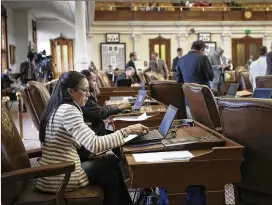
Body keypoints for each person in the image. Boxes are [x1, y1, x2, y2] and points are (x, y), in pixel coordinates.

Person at [37, 71, 149, 205]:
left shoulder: (58, 107)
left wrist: (89, 155)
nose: (88, 94)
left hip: (53, 173)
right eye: (85, 90)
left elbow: (71, 143)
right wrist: (127, 130)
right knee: (111, 170)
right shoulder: (68, 110)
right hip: (61, 176)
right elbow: (94, 144)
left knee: (109, 162)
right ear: (71, 91)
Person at [81, 70, 131, 135]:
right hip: (97, 133)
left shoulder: (90, 96)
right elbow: (101, 113)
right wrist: (120, 107)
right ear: (86, 83)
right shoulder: (85, 99)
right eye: (94, 81)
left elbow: (98, 111)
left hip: (101, 126)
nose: (96, 83)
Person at [176, 40, 214, 118]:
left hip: (188, 98)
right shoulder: (203, 58)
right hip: (203, 99)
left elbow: (178, 81)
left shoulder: (181, 60)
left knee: (191, 124)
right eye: (203, 51)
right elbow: (211, 76)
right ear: (202, 49)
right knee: (205, 126)